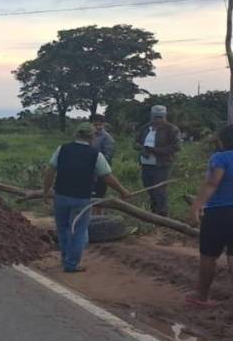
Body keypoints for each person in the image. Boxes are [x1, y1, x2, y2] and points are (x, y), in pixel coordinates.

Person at [44, 123, 131, 273]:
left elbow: (50, 171)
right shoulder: (96, 154)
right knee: (77, 231)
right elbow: (107, 177)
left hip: (61, 196)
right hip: (81, 199)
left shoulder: (62, 149)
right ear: (92, 137)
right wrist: (123, 191)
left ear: (75, 135)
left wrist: (46, 190)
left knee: (63, 229)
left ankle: (65, 259)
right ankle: (71, 265)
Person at [186, 125, 233, 308]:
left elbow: (212, 183)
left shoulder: (220, 158)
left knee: (209, 256)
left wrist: (196, 206)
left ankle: (201, 296)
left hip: (218, 213)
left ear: (221, 140)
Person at [134, 105, 180, 217]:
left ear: (165, 116)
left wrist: (155, 150)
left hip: (162, 165)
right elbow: (135, 142)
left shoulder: (172, 129)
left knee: (159, 191)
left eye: (160, 117)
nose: (158, 119)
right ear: (151, 116)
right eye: (155, 117)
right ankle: (154, 214)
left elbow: (176, 147)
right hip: (146, 164)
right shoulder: (145, 128)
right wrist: (142, 148)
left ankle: (162, 216)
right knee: (149, 189)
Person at [89, 114, 116, 201]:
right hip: (88, 171)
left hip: (100, 171)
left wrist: (97, 165)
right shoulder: (89, 136)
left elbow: (108, 156)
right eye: (95, 125)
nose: (97, 127)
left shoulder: (107, 138)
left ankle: (98, 213)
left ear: (103, 124)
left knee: (99, 197)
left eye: (99, 125)